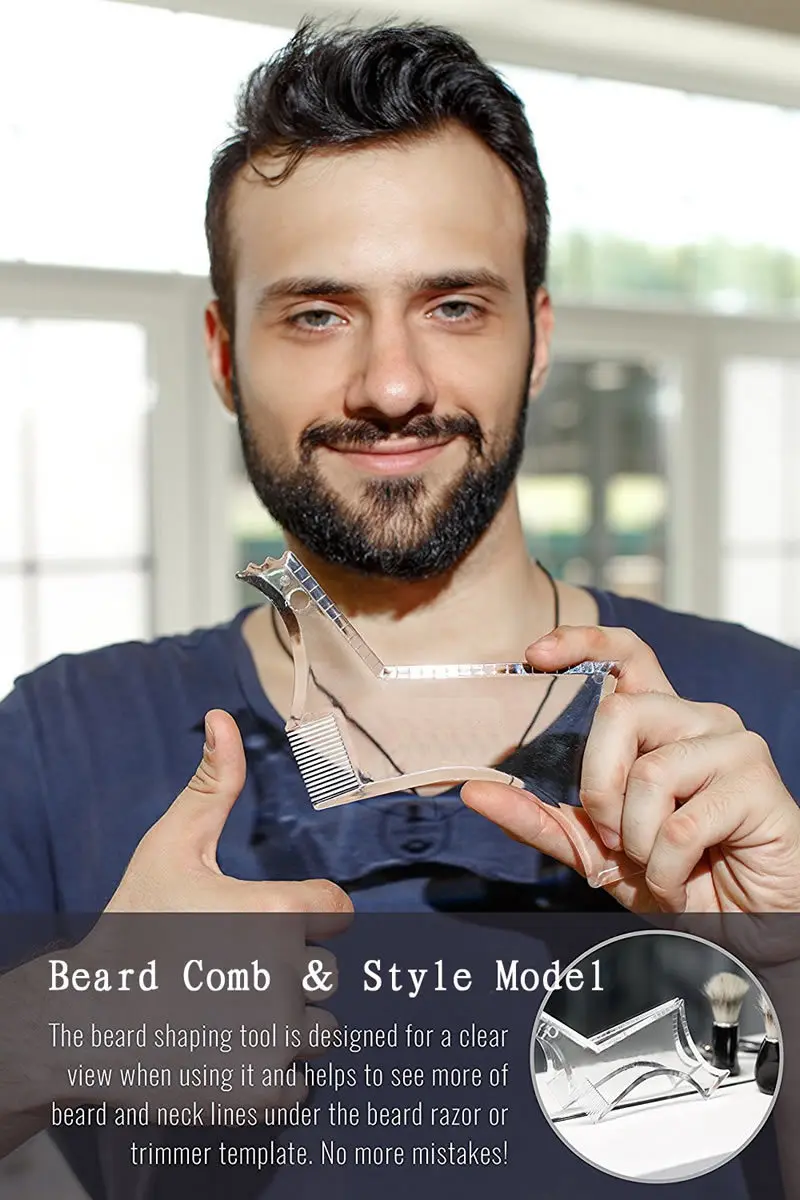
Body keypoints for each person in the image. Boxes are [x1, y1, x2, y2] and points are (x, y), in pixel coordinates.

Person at [0, 18, 799, 1198]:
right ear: (222, 353)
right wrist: (66, 1029)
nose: (389, 384)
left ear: (537, 339)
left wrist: (781, 974)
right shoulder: (59, 742)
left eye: (454, 306)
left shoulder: (765, 725)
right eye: (316, 313)